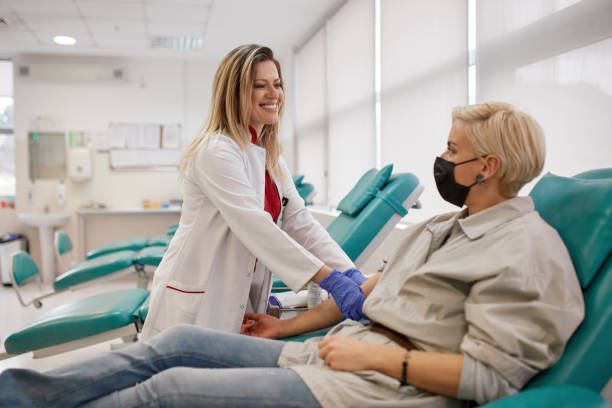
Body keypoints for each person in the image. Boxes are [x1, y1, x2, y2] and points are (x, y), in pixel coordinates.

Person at [0, 102, 584, 408]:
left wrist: (372, 358)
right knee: (173, 346)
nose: (441, 159)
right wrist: (290, 325)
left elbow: (491, 377)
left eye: (451, 150)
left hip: (380, 387)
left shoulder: (526, 252)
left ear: (488, 167)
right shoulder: (444, 227)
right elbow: (373, 288)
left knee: (167, 390)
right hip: (341, 356)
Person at [141, 44, 364, 340]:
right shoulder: (216, 151)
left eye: (277, 84)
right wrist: (331, 280)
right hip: (199, 295)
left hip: (238, 293)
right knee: (183, 380)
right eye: (260, 85)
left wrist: (350, 274)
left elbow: (301, 223)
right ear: (234, 93)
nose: (273, 94)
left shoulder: (270, 157)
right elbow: (257, 227)